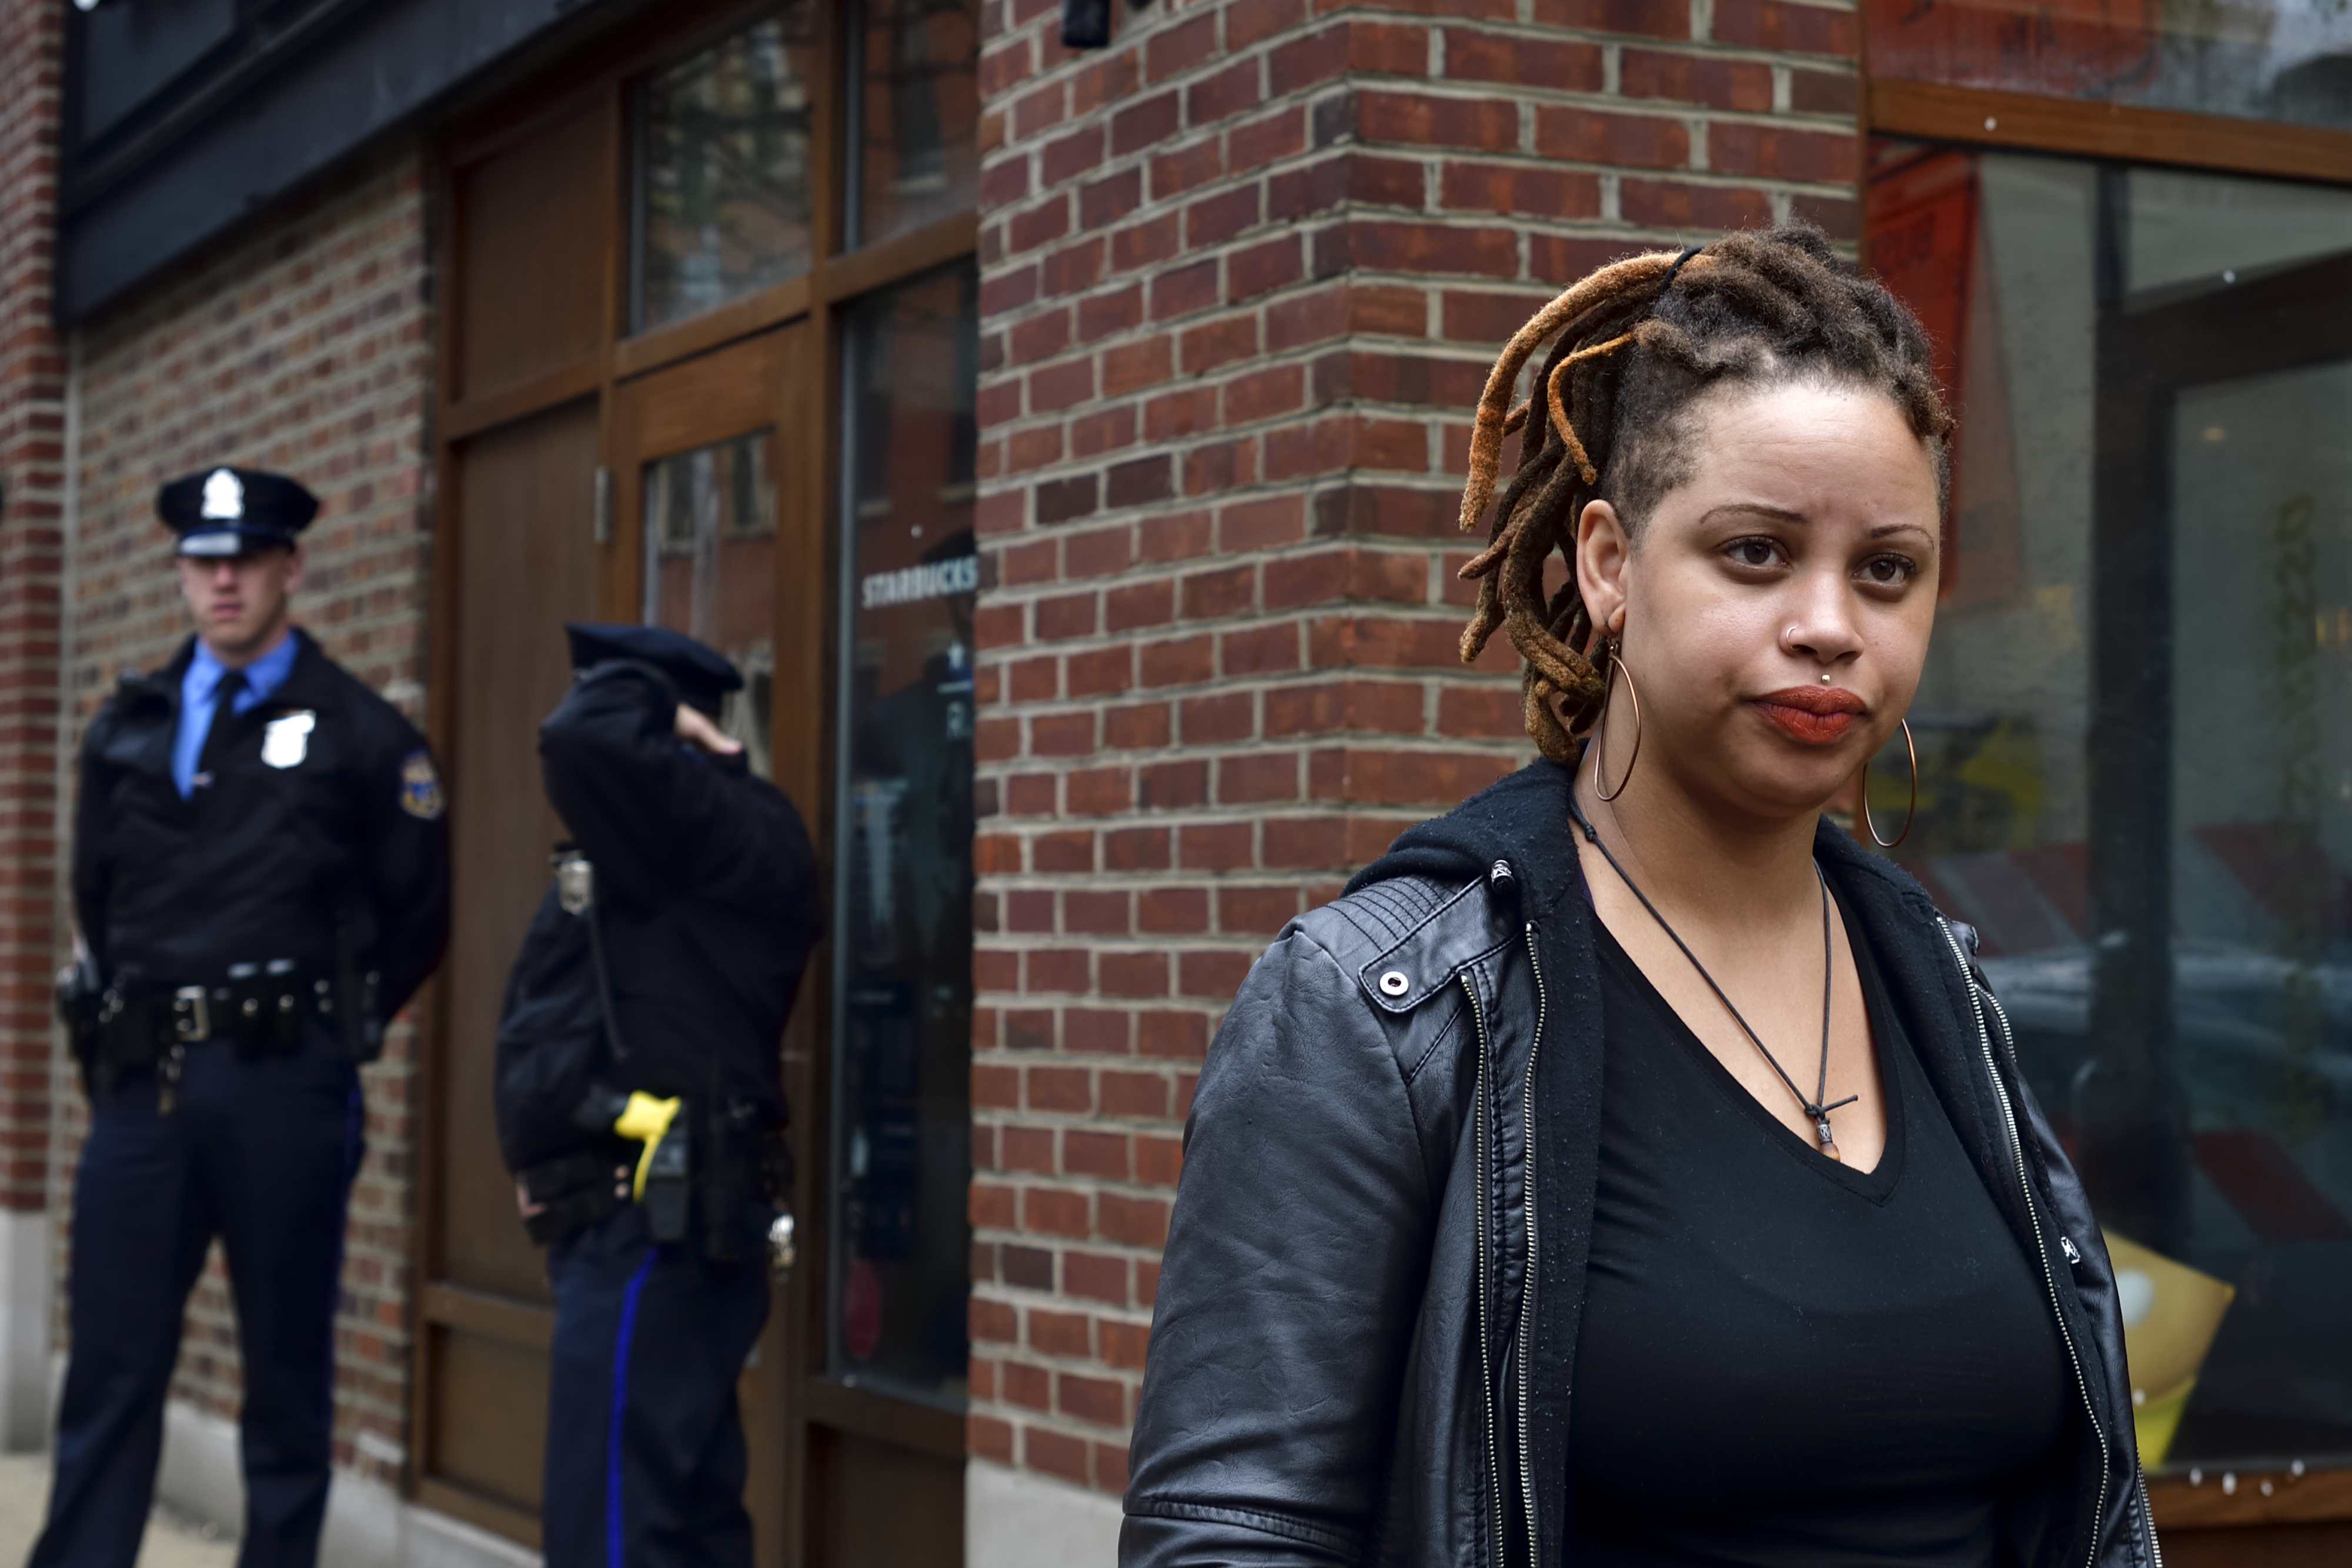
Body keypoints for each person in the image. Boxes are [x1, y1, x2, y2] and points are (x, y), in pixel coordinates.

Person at [1122, 228, 2156, 1567]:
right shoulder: (1379, 1009)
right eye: (1753, 553)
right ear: (1608, 563)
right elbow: (1233, 1535)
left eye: (1885, 568)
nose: (1830, 622)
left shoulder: (1943, 986)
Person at [44, 466, 450, 1568]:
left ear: (289, 570)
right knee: (111, 1365)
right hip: (144, 1089)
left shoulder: (364, 734)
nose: (223, 583)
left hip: (283, 1086)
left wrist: (330, 1033)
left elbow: (419, 912)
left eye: (246, 561)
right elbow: (95, 892)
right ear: (180, 573)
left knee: (284, 1374)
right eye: (203, 562)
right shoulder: (126, 727)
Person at [494, 623, 819, 1568]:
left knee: (615, 1534)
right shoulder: (672, 853)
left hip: (659, 1229)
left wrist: (645, 707)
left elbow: (582, 738)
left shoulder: (720, 830)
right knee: (677, 1524)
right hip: (634, 1224)